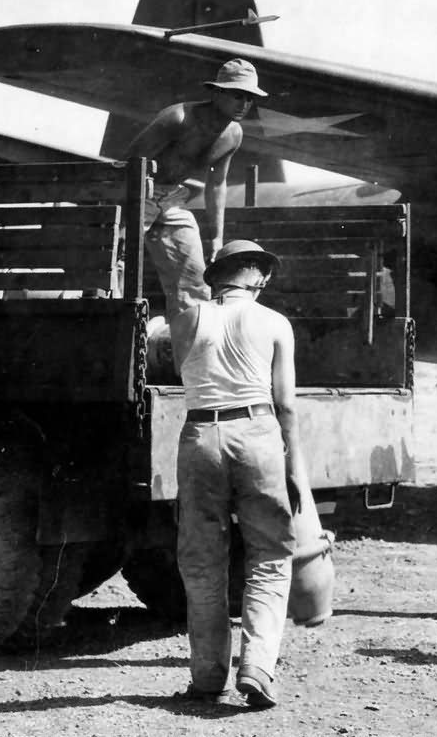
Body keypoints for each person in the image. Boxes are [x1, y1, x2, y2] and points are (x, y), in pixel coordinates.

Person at [170, 239, 307, 710]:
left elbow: (176, 364)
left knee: (202, 560)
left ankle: (208, 677)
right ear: (255, 274)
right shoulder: (273, 323)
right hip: (257, 432)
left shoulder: (188, 319)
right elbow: (285, 403)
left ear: (218, 276)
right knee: (269, 554)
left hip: (201, 435)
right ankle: (257, 668)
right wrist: (296, 471)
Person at [127, 58, 266, 322]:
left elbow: (217, 183)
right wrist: (134, 209)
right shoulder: (178, 118)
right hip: (137, 190)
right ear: (217, 92)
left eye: (250, 98)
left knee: (193, 276)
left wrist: (216, 237)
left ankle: (188, 346)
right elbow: (132, 162)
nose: (244, 104)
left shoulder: (233, 134)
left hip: (173, 199)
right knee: (117, 259)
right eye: (238, 95)